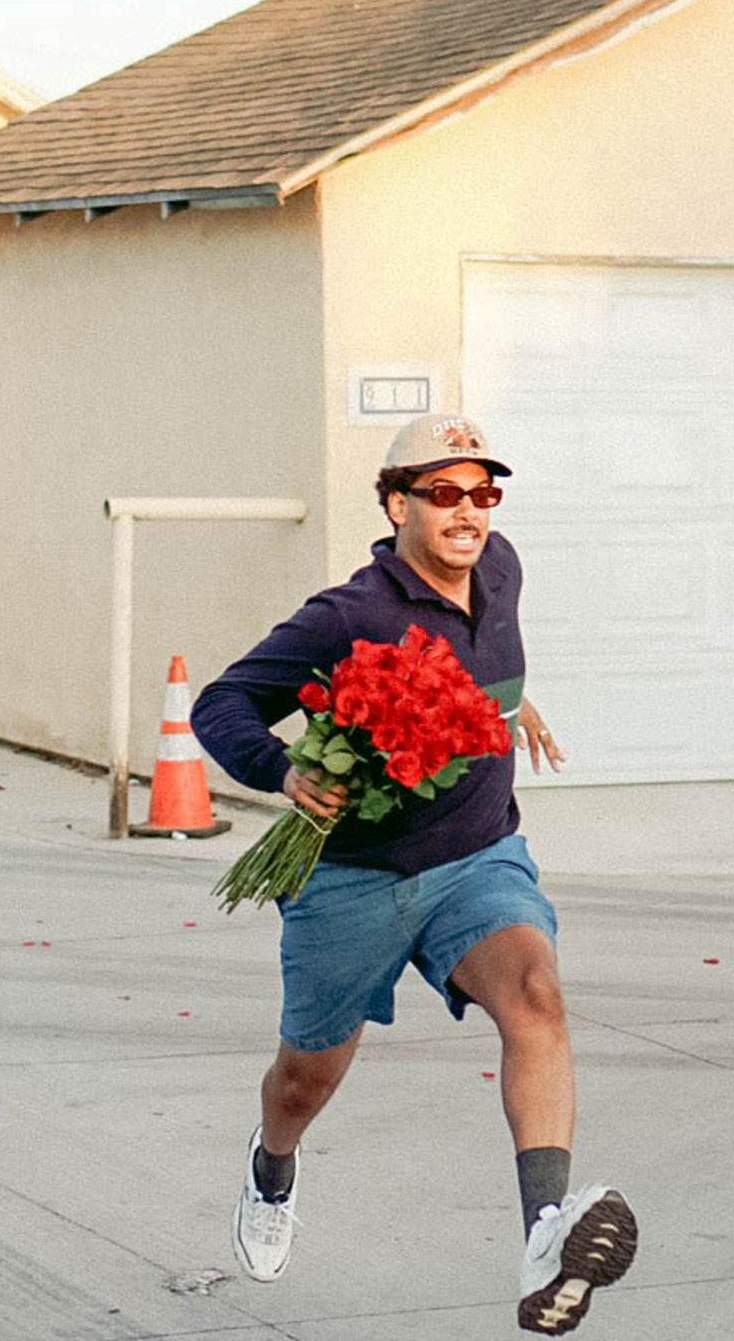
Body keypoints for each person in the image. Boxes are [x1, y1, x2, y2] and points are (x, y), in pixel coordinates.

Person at [191, 412, 637, 1335]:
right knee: (304, 1078)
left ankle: (546, 1236)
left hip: (477, 855)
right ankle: (272, 1168)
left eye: (484, 492)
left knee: (538, 996)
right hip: (354, 879)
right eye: (444, 492)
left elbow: (485, 655)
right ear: (396, 503)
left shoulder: (501, 567)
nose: (469, 510)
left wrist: (509, 707)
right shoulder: (351, 614)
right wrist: (284, 771)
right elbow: (222, 701)